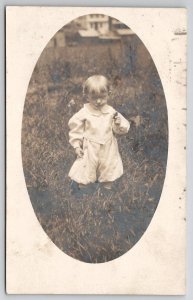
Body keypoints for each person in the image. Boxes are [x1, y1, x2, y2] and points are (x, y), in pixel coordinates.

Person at [68, 75, 130, 195]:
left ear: (109, 93)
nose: (98, 101)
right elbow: (75, 129)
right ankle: (83, 193)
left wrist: (118, 124)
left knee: (108, 168)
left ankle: (107, 194)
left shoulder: (111, 111)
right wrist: (76, 146)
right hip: (90, 146)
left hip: (108, 146)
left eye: (102, 97)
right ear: (87, 96)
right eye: (94, 98)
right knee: (86, 168)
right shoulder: (84, 112)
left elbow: (121, 130)